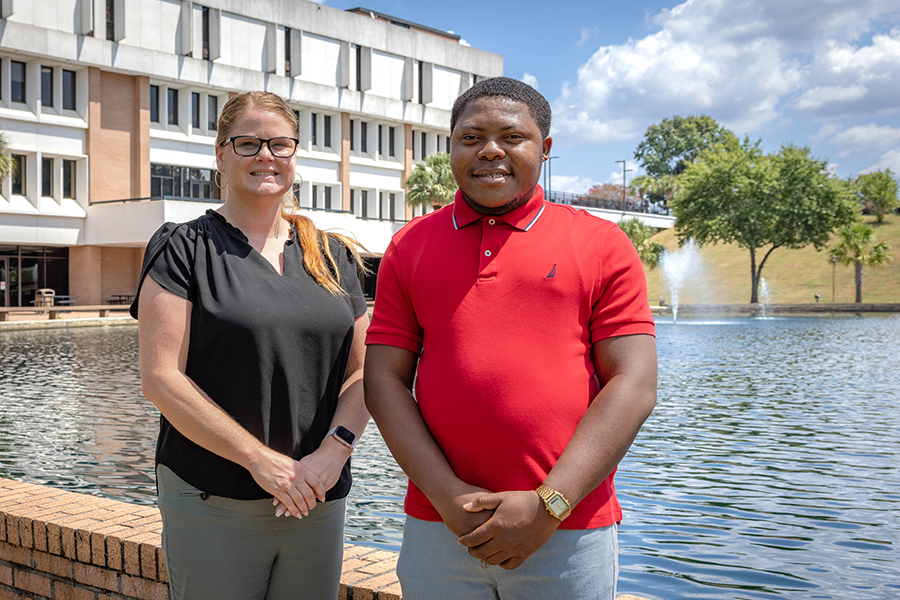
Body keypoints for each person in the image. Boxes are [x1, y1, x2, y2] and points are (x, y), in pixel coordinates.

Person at [364, 77, 657, 599]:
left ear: (544, 149)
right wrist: (448, 497)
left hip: (568, 529)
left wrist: (550, 504)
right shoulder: (409, 247)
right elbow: (384, 380)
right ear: (451, 147)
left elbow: (633, 383)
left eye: (511, 137)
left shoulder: (600, 243)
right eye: (471, 137)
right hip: (439, 527)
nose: (490, 151)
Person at [132, 91, 369, 600]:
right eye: (248, 143)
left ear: (295, 156)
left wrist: (335, 449)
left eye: (280, 144)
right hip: (215, 498)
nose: (266, 155)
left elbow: (366, 371)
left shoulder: (333, 256)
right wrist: (259, 459)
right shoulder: (183, 248)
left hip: (317, 496)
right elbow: (160, 378)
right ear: (220, 155)